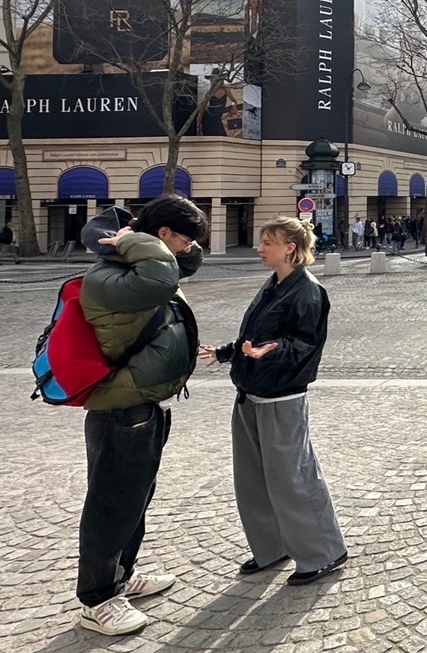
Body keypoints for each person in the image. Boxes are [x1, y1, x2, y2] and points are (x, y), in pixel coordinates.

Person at [74, 195, 207, 636]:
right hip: (119, 408)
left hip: (143, 402)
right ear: (162, 236)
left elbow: (183, 266)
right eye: (183, 239)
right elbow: (160, 279)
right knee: (111, 503)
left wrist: (149, 240)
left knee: (135, 499)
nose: (188, 249)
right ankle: (97, 599)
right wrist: (139, 240)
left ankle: (121, 576)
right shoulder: (108, 275)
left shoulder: (141, 264)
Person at [199, 217, 348, 587]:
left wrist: (274, 350)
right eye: (261, 241)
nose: (259, 247)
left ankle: (324, 551)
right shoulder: (273, 285)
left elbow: (305, 347)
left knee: (292, 478)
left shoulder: (308, 292)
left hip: (282, 397)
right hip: (250, 393)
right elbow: (253, 337)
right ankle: (273, 547)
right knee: (252, 479)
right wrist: (225, 353)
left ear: (290, 248)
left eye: (268, 242)